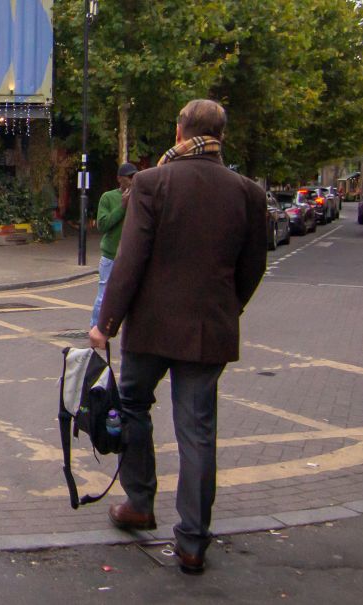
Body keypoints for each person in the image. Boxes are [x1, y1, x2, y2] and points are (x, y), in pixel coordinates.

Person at [89, 100, 267, 575]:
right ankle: (191, 541)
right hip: (209, 329)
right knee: (197, 429)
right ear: (220, 136)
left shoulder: (153, 183)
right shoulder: (247, 192)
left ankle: (140, 502)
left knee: (130, 403)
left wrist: (106, 324)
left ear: (180, 130)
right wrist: (228, 308)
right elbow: (254, 266)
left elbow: (130, 262)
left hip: (151, 327)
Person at [90, 162, 137, 327]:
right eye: (128, 177)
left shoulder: (140, 197)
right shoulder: (108, 197)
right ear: (119, 179)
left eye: (134, 176)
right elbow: (102, 225)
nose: (132, 180)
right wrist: (122, 207)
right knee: (104, 296)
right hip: (111, 256)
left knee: (134, 299)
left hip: (132, 256)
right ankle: (95, 329)